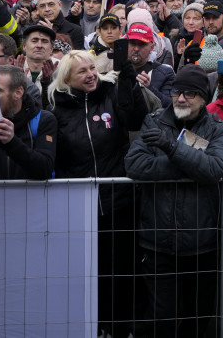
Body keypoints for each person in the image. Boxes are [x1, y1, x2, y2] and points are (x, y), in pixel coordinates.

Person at [124, 64, 223, 338]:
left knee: (198, 318)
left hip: (202, 243)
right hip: (158, 241)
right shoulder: (154, 121)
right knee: (162, 319)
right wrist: (189, 166)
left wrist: (171, 148)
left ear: (204, 98)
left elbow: (214, 169)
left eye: (190, 94)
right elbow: (134, 165)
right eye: (176, 92)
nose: (181, 98)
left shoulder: (218, 128)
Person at [49, 50, 150, 338]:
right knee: (89, 272)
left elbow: (136, 119)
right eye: (82, 71)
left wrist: (129, 77)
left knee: (121, 270)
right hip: (79, 207)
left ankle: (119, 327)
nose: (91, 74)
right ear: (67, 77)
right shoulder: (57, 108)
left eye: (92, 68)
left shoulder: (110, 94)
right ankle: (92, 326)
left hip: (119, 202)